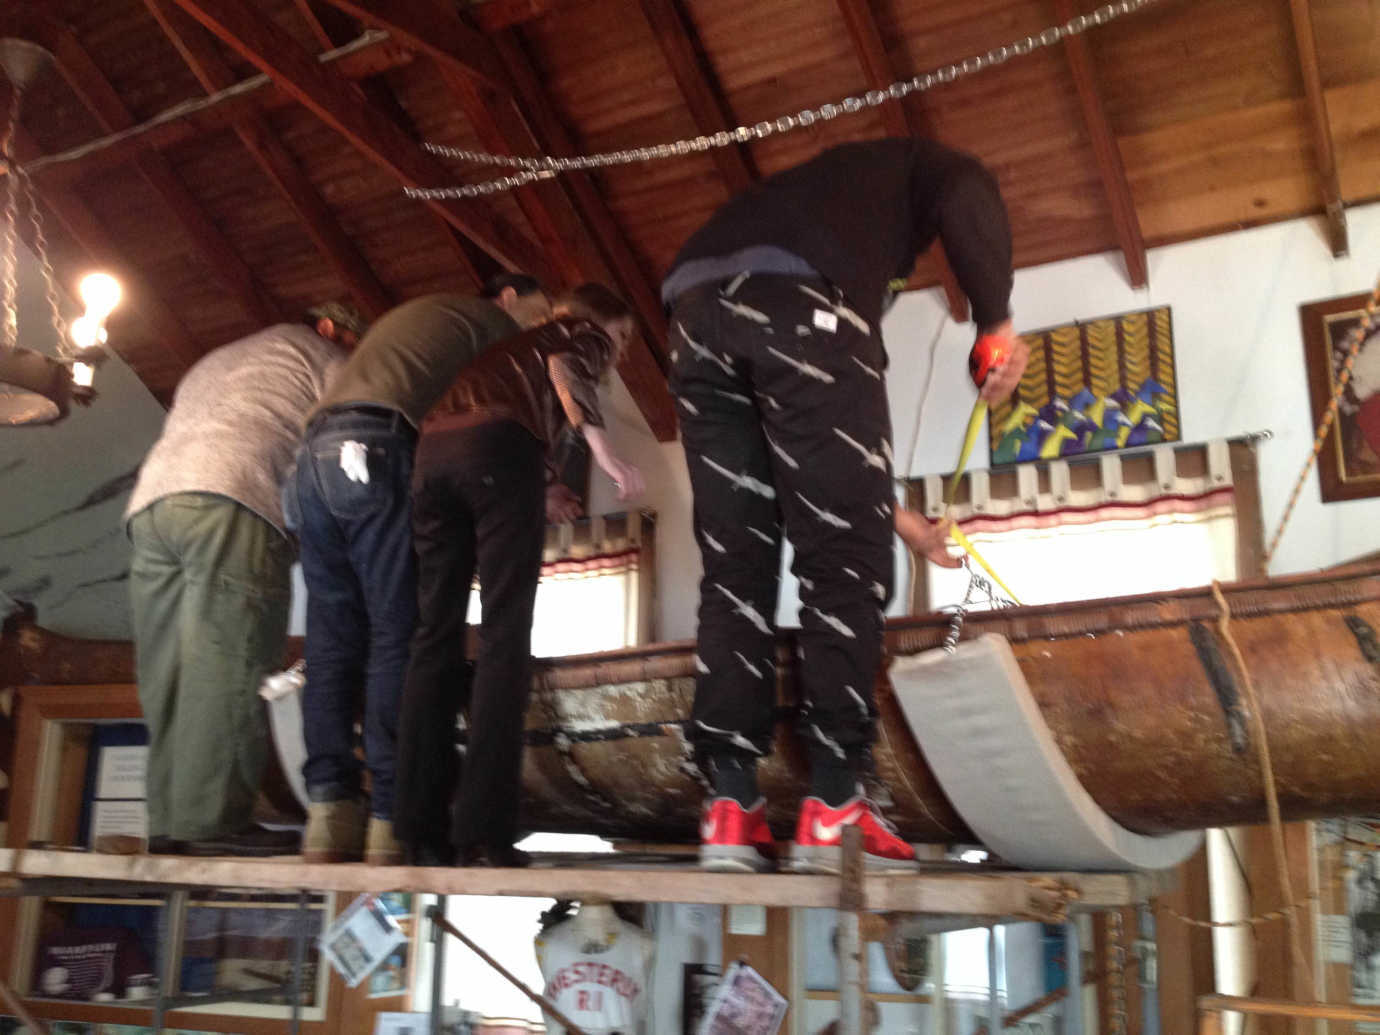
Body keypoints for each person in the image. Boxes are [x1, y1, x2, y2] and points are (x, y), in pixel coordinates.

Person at [661, 137, 1029, 873]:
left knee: (738, 564)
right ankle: (835, 808)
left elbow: (827, 470)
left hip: (692, 315)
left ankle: (730, 810)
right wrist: (996, 322)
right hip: (797, 302)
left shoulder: (822, 201)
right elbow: (966, 188)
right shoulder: (925, 169)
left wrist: (906, 525)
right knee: (843, 561)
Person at [290, 275, 552, 865]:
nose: (539, 326)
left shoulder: (429, 316)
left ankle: (328, 814)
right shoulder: (494, 329)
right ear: (507, 298)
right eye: (536, 313)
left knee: (331, 639)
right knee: (399, 633)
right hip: (380, 441)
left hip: (313, 455)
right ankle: (389, 818)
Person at [393, 283, 645, 868]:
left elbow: (495, 421)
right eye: (625, 337)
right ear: (600, 322)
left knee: (435, 637)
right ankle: (484, 830)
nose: (623, 351)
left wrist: (542, 487)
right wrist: (602, 451)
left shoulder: (508, 350)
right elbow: (568, 368)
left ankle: (417, 829)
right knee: (505, 637)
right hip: (497, 453)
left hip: (433, 457)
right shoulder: (578, 336)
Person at [126, 303, 364, 857]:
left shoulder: (216, 360)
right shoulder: (323, 355)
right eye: (353, 338)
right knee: (229, 662)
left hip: (153, 505)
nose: (355, 352)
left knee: (170, 672)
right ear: (330, 328)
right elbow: (349, 441)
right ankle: (212, 824)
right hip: (235, 496)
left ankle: (170, 820)